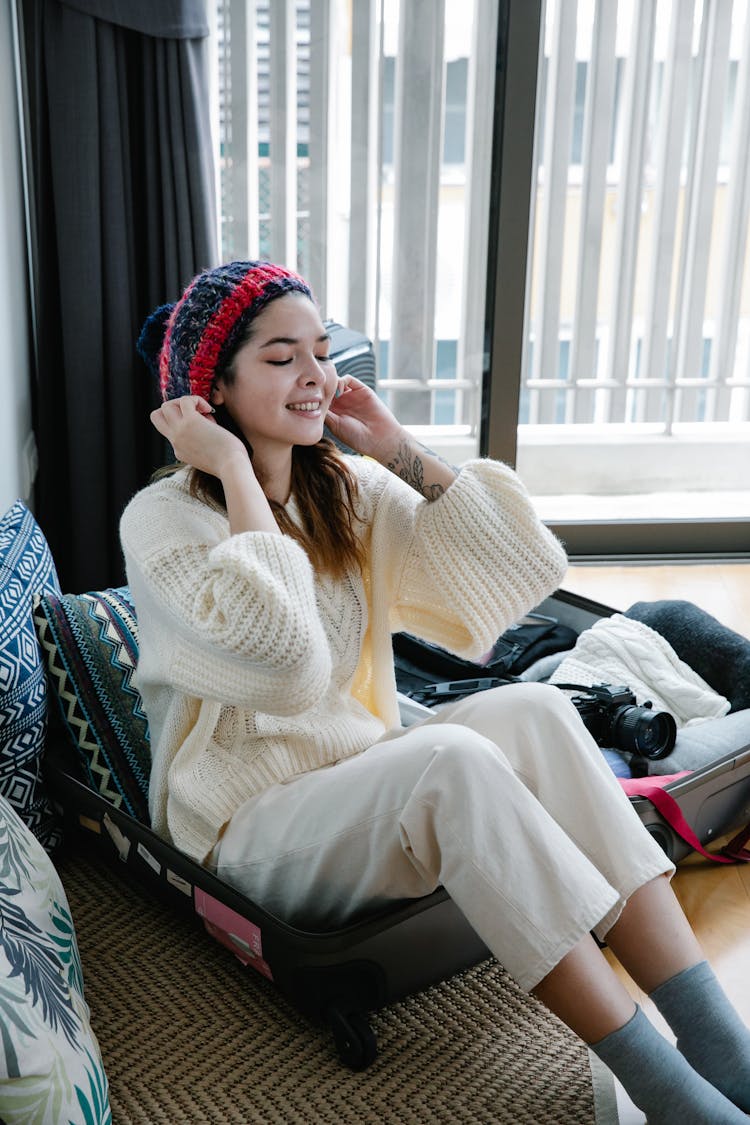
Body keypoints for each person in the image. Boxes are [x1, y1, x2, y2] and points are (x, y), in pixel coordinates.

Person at [122, 260, 750, 1123]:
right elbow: (284, 663)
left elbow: (519, 574)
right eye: (280, 357)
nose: (317, 375)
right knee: (451, 757)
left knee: (534, 707)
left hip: (364, 774)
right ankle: (667, 1090)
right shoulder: (162, 521)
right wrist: (233, 471)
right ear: (212, 390)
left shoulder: (342, 488)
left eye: (320, 349)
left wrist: (396, 448)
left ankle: (718, 1040)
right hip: (248, 827)